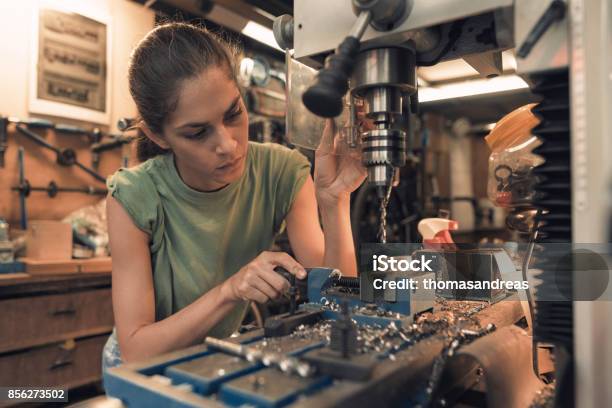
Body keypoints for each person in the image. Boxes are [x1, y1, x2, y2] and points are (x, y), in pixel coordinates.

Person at [101, 22, 366, 375]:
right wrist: (230, 290)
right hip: (140, 371)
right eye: (197, 132)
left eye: (233, 114)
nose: (227, 145)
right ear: (157, 135)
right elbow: (137, 349)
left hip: (214, 357)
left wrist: (335, 202)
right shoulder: (133, 196)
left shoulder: (281, 171)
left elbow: (337, 298)